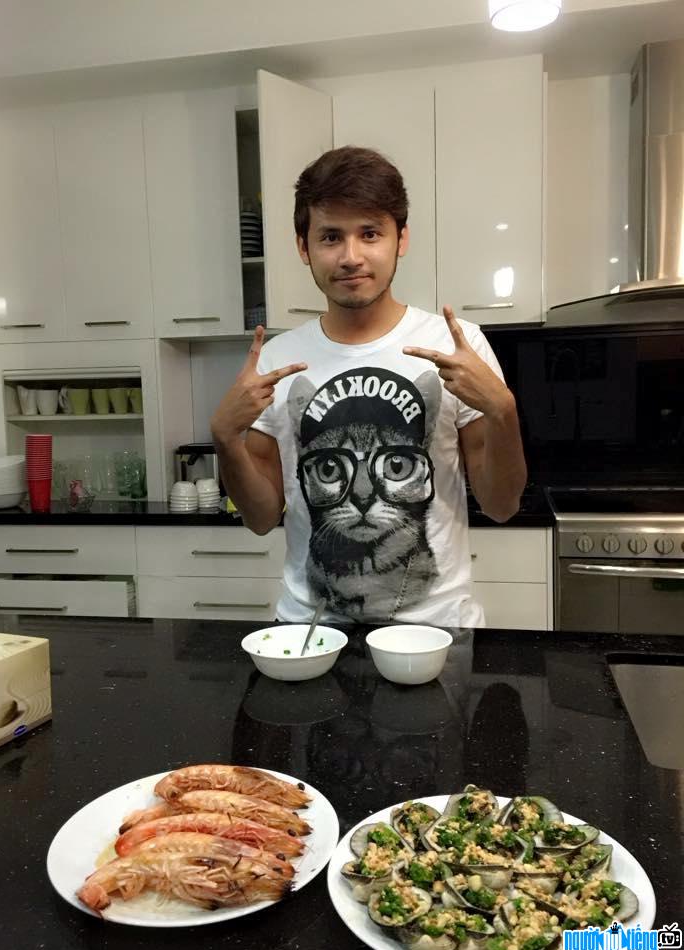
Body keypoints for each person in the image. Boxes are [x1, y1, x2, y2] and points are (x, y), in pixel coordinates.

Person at [211, 146, 526, 626]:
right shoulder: (277, 359)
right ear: (304, 246)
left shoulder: (457, 345)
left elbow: (501, 506)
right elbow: (259, 519)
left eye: (370, 233)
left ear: (400, 240)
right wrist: (224, 440)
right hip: (311, 631)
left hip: (436, 631)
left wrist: (504, 411)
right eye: (331, 236)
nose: (351, 257)